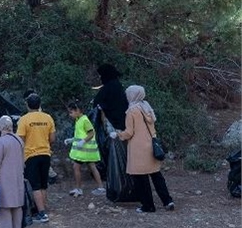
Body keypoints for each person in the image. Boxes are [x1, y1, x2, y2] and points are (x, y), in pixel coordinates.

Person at [111, 85, 175, 213]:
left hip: (137, 148)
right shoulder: (146, 107)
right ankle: (167, 200)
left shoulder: (131, 111)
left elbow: (129, 132)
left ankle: (148, 205)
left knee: (141, 178)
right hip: (151, 146)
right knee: (156, 175)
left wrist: (118, 134)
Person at [16, 93, 54, 223]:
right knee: (43, 184)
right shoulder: (48, 118)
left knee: (35, 185)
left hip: (31, 155)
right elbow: (52, 138)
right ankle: (42, 209)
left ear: (27, 104)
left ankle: (42, 213)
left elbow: (20, 139)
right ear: (39, 104)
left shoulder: (24, 119)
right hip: (46, 153)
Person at [65, 101, 106, 197]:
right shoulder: (79, 120)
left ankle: (79, 188)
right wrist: (72, 140)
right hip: (86, 151)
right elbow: (80, 134)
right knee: (92, 167)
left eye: (71, 112)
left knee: (77, 167)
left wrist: (82, 142)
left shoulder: (84, 120)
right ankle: (100, 187)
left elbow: (91, 133)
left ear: (77, 110)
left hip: (84, 151)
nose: (70, 115)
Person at [93, 64, 128, 132]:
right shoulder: (116, 85)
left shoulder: (109, 87)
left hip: (113, 124)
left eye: (100, 75)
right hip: (120, 122)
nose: (100, 77)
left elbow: (101, 103)